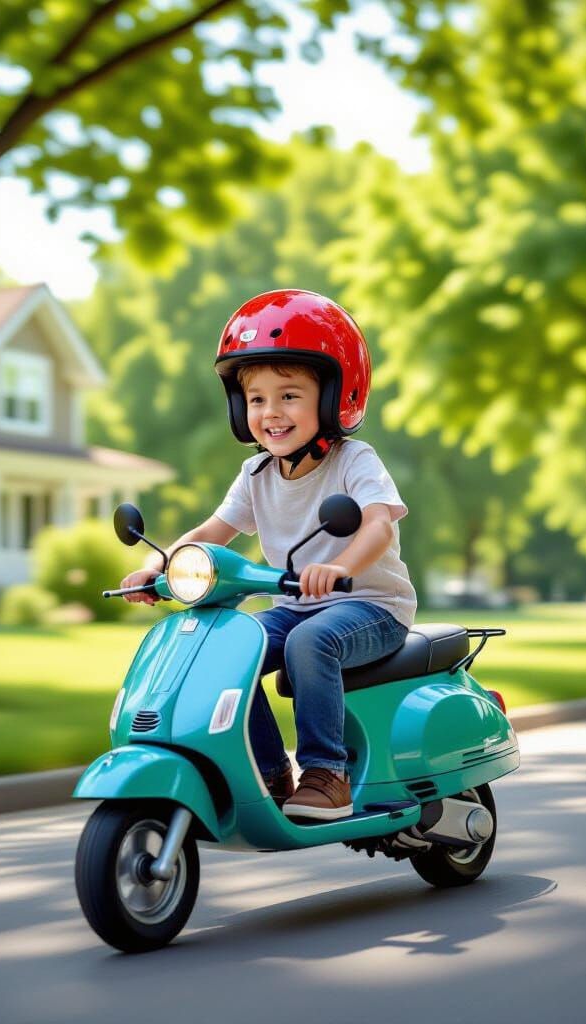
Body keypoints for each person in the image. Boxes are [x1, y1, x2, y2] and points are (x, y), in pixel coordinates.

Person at [120, 290, 417, 821]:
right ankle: (270, 769)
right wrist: (159, 565)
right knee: (232, 645)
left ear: (333, 397)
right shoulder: (256, 474)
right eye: (256, 399)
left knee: (309, 641)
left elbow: (375, 523)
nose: (271, 413)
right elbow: (214, 530)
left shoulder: (355, 460)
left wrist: (341, 566)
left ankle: (328, 774)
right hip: (298, 603)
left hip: (371, 606)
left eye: (289, 396)